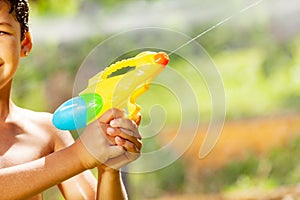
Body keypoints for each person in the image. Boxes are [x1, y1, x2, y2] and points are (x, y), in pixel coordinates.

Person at [0, 0, 142, 199]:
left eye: (1, 32)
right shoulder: (75, 154)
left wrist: (108, 168)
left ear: (25, 42)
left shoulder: (47, 131)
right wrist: (80, 155)